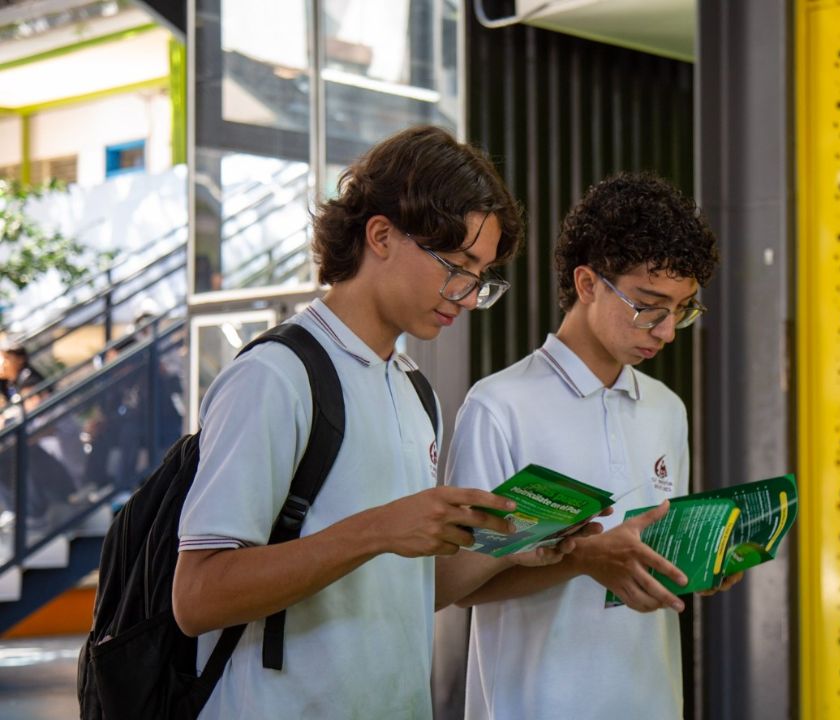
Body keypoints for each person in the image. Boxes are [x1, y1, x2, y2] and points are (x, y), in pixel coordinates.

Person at [172, 126, 541, 718]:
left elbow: (413, 591)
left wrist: (513, 547)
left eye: (482, 276)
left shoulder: (416, 390)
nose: (468, 295)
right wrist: (376, 530)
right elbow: (196, 596)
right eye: (457, 265)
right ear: (381, 235)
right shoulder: (276, 376)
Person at [438, 172, 738, 719]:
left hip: (652, 701)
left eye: (682, 310)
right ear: (587, 283)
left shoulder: (667, 408)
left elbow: (647, 555)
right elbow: (458, 584)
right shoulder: (499, 406)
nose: (666, 330)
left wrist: (701, 561)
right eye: (649, 305)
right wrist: (580, 560)